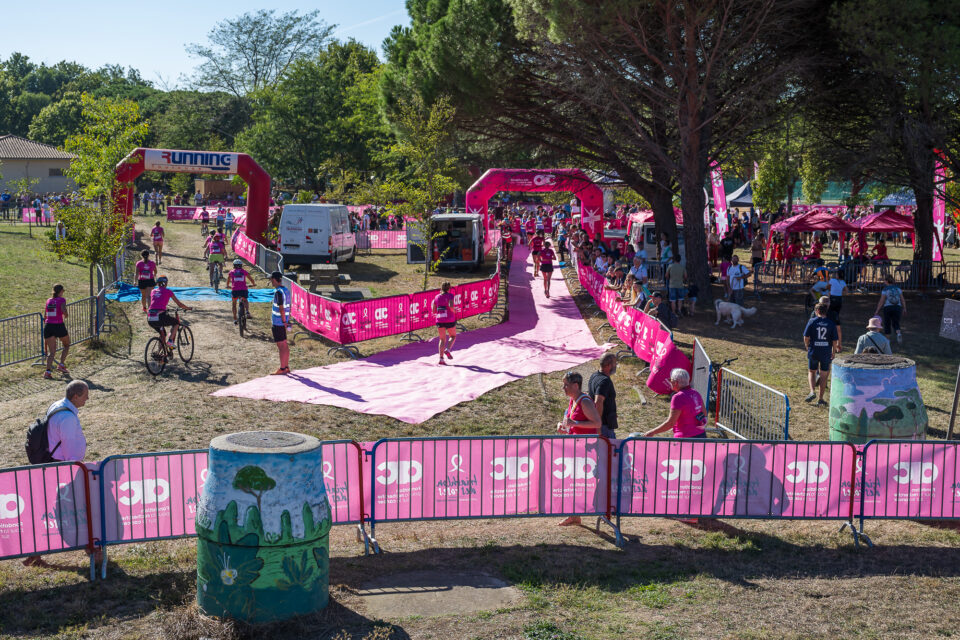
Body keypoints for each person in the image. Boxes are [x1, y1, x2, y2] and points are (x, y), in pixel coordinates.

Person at [22, 380, 90, 567]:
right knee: (77, 507)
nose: (87, 399)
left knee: (46, 507)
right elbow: (71, 451)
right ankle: (91, 546)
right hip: (62, 468)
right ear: (75, 396)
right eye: (85, 395)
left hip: (49, 465)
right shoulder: (67, 418)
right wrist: (77, 468)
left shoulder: (58, 405)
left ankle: (35, 550)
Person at [556, 371, 603, 527]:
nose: (563, 388)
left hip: (586, 450)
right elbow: (572, 423)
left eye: (566, 385)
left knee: (579, 482)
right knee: (572, 482)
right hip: (576, 447)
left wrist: (574, 424)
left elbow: (597, 423)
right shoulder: (573, 399)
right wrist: (565, 428)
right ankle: (574, 515)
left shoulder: (585, 401)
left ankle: (588, 512)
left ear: (576, 385)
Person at [641, 368, 707, 439]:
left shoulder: (678, 397)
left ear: (675, 382)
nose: (669, 382)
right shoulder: (696, 393)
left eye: (670, 380)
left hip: (684, 439)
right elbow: (704, 414)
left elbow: (670, 423)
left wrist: (652, 432)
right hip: (701, 436)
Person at [803, 302, 839, 405]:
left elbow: (806, 337)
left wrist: (807, 346)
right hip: (825, 352)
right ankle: (821, 399)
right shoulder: (831, 323)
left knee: (812, 371)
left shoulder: (812, 321)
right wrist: (833, 352)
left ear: (817, 311)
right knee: (824, 375)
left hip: (814, 350)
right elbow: (834, 340)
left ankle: (812, 391)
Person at [147, 276, 192, 348]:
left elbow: (155, 302)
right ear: (165, 283)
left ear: (158, 284)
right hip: (160, 316)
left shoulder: (153, 291)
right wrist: (188, 308)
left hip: (150, 317)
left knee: (163, 335)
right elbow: (179, 304)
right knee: (176, 323)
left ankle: (160, 353)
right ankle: (170, 341)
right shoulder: (168, 291)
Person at [42, 284, 71, 379]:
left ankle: (47, 372)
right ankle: (61, 365)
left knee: (52, 352)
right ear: (60, 291)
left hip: (48, 326)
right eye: (63, 291)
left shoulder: (48, 300)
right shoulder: (62, 300)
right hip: (58, 325)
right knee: (66, 345)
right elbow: (63, 309)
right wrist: (66, 314)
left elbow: (45, 315)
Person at [588, 354, 618, 439]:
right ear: (608, 366)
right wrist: (598, 426)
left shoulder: (594, 376)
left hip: (603, 423)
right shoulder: (604, 381)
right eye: (615, 363)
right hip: (604, 426)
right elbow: (598, 402)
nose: (616, 365)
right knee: (609, 451)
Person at [269, 271, 292, 375]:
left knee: (281, 346)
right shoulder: (285, 290)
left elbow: (281, 308)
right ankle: (286, 366)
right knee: (285, 344)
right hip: (283, 321)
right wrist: (286, 321)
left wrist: (283, 321)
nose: (271, 282)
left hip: (278, 322)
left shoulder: (278, 292)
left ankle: (282, 368)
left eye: (271, 279)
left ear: (274, 279)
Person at [875, 274, 905, 345]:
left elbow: (881, 301)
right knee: (896, 322)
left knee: (887, 323)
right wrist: (905, 308)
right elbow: (902, 299)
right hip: (897, 307)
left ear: (886, 281)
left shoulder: (885, 289)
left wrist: (877, 310)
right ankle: (898, 333)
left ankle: (887, 340)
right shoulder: (898, 289)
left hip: (888, 308)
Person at [432, 282, 457, 365]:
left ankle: (441, 359)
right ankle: (448, 349)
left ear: (441, 288)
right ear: (449, 289)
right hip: (449, 319)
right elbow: (450, 305)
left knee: (442, 339)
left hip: (439, 319)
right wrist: (454, 311)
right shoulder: (450, 295)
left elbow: (434, 310)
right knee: (453, 336)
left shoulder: (436, 297)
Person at [228, 259, 256, 325]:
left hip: (235, 290)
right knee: (245, 300)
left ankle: (235, 319)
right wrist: (253, 284)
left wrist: (227, 285)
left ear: (234, 266)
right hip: (243, 289)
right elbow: (251, 279)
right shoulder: (244, 271)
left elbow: (228, 280)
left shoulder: (231, 272)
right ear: (241, 265)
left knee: (234, 304)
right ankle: (247, 311)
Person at [827, 270, 847, 350]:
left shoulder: (832, 280)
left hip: (832, 298)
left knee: (828, 314)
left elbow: (827, 287)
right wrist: (839, 293)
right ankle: (839, 343)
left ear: (838, 275)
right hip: (839, 300)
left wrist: (832, 291)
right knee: (836, 316)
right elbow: (846, 291)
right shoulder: (843, 282)